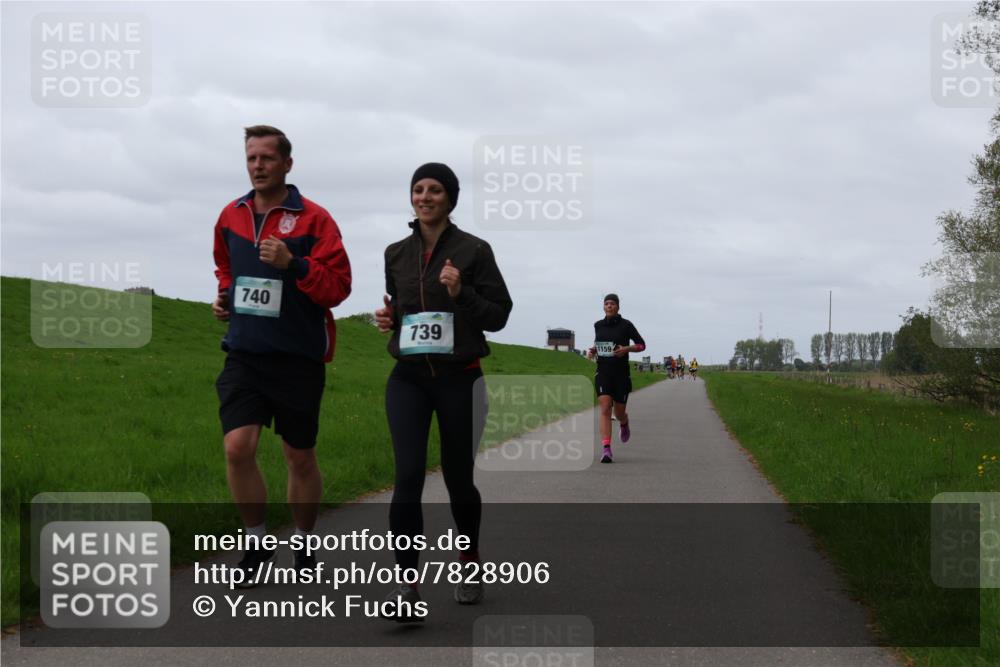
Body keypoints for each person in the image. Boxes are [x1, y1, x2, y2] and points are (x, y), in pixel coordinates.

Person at [212, 125, 352, 586]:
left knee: (299, 458)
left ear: (287, 164)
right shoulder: (230, 216)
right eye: (251, 158)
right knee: (238, 447)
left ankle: (306, 542)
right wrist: (225, 296)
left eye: (267, 158)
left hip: (297, 357)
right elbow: (227, 268)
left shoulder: (315, 220)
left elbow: (338, 288)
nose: (258, 166)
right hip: (245, 354)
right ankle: (255, 544)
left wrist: (296, 264)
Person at [374, 163, 512, 621]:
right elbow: (402, 308)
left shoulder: (474, 250)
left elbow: (499, 315)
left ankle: (469, 563)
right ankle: (406, 588)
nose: (425, 196)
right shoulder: (396, 253)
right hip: (409, 378)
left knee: (457, 478)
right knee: (408, 476)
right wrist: (389, 320)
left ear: (450, 199)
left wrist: (460, 293)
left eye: (435, 190)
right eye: (418, 189)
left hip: (460, 377)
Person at [587, 295, 645, 463]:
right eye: (606, 304)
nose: (609, 306)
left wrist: (626, 349)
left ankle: (624, 422)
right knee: (605, 408)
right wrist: (593, 351)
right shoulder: (598, 325)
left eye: (612, 303)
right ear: (603, 307)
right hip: (603, 372)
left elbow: (642, 345)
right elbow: (599, 344)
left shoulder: (626, 325)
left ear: (618, 307)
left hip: (621, 374)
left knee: (618, 412)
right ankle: (606, 449)